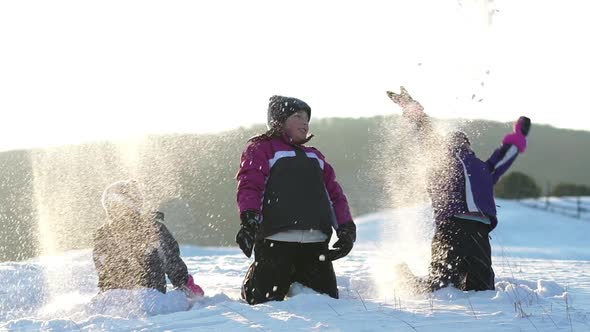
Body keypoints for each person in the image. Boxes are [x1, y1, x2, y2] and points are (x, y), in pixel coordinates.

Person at [387, 87, 531, 291]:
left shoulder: (483, 167)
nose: (462, 143)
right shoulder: (441, 158)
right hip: (455, 226)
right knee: (448, 283)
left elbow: (505, 155)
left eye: (464, 140)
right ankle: (408, 282)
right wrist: (411, 107)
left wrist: (519, 136)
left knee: (473, 286)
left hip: (473, 229)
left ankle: (427, 284)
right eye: (458, 140)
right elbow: (425, 130)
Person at [235, 95, 356, 304]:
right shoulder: (263, 148)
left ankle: (294, 278)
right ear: (279, 121)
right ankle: (255, 279)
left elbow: (334, 196)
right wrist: (249, 220)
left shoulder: (315, 157)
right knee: (262, 301)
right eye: (297, 116)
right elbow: (250, 185)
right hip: (276, 243)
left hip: (315, 245)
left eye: (307, 117)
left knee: (327, 302)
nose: (305, 122)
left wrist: (346, 230)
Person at [93, 180, 204, 298]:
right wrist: (184, 283)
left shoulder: (103, 235)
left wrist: (105, 296)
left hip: (115, 298)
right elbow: (171, 260)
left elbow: (103, 274)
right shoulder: (151, 228)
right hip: (150, 296)